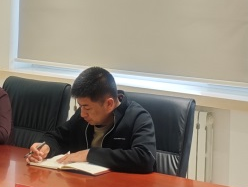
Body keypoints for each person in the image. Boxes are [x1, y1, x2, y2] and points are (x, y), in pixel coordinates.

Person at [26, 66, 157, 173]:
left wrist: (89, 154)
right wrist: (45, 147)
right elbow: (58, 137)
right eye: (80, 106)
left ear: (109, 104)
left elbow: (145, 159)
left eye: (87, 108)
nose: (82, 114)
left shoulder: (138, 117)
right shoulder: (82, 116)